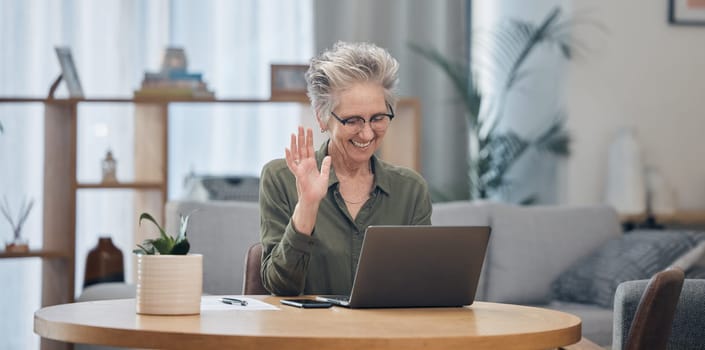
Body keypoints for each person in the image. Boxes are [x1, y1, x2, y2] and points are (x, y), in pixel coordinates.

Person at [259, 41, 432, 296]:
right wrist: (307, 205)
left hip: (389, 333)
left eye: (378, 118)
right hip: (310, 332)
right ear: (321, 116)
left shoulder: (410, 189)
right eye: (352, 120)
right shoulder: (280, 178)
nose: (367, 132)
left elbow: (422, 285)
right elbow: (280, 287)